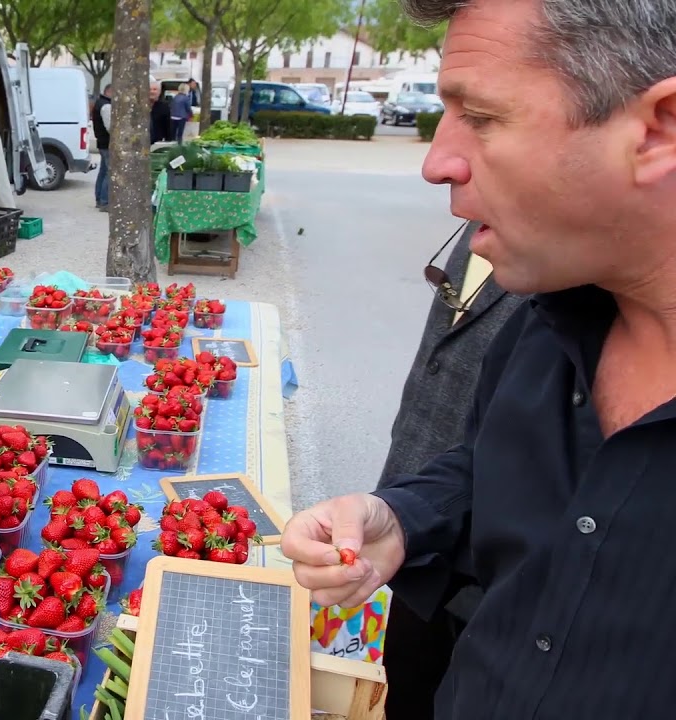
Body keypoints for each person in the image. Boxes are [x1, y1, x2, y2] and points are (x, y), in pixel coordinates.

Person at [283, 0, 676, 716]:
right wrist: (404, 518)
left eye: (484, 117)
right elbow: (494, 468)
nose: (436, 163)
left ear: (659, 128)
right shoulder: (545, 321)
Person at [377, 220, 523, 719]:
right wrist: (400, 509)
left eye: (485, 133)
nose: (438, 167)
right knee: (407, 674)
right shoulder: (478, 217)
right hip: (419, 515)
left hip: (491, 563)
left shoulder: (583, 270)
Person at [91, 84, 112, 210]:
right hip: (107, 143)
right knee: (109, 172)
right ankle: (104, 201)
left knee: (103, 171)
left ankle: (99, 198)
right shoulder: (106, 106)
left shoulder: (100, 103)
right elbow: (110, 127)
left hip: (102, 142)